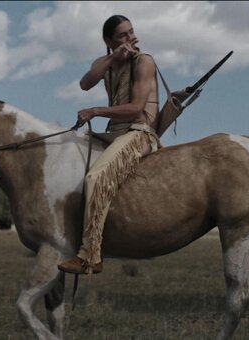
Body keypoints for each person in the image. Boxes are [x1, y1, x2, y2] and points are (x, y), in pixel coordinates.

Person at [58, 15, 160, 275]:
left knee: (95, 178)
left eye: (131, 32)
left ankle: (90, 256)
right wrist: (114, 58)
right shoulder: (107, 63)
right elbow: (85, 83)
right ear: (109, 41)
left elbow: (137, 108)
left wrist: (95, 110)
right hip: (113, 134)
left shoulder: (144, 62)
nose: (129, 39)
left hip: (139, 132)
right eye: (122, 36)